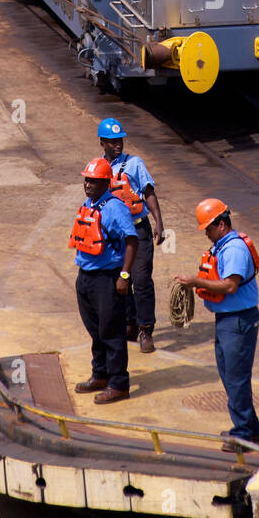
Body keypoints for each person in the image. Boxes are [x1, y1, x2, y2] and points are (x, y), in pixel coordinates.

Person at [174, 199, 259, 452]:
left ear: (221, 225)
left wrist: (195, 281)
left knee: (236, 378)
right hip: (228, 320)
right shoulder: (222, 246)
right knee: (230, 375)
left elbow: (230, 285)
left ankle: (244, 433)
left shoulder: (233, 249)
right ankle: (248, 428)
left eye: (208, 229)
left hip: (238, 321)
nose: (206, 235)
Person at [68, 157, 138, 404]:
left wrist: (124, 276)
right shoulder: (89, 204)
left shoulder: (115, 208)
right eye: (87, 180)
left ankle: (119, 383)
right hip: (85, 277)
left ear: (106, 182)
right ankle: (100, 374)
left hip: (108, 279)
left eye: (94, 181)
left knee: (112, 331)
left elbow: (132, 240)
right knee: (95, 330)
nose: (88, 185)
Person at [97, 117, 164, 354]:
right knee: (121, 280)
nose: (118, 144)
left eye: (120, 140)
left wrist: (159, 222)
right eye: (113, 141)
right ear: (102, 142)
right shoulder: (98, 168)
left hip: (138, 229)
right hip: (114, 234)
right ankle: (129, 323)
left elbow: (149, 192)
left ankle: (146, 329)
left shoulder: (135, 164)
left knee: (142, 279)